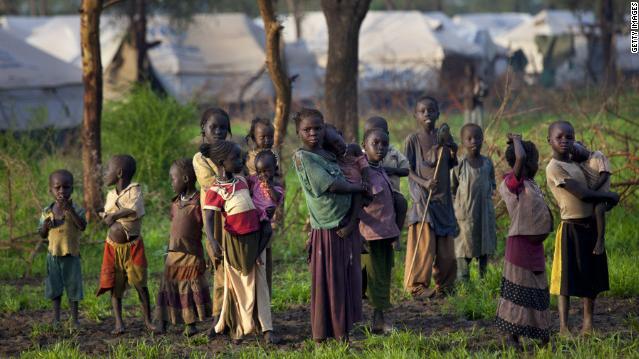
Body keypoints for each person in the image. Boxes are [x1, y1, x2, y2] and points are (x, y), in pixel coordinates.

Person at [292, 108, 366, 342]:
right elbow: (332, 185)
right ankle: (328, 332)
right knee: (330, 282)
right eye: (307, 130)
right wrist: (359, 188)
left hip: (346, 223)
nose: (313, 133)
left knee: (347, 278)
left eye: (318, 128)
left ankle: (344, 328)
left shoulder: (329, 153)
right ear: (298, 132)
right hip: (328, 228)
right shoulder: (303, 157)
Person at [546, 121, 619, 335]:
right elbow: (583, 194)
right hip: (571, 227)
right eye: (559, 137)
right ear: (549, 140)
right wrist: (610, 196)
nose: (565, 141)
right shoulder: (554, 167)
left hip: (591, 225)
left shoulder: (576, 162)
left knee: (591, 280)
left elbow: (595, 171)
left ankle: (588, 325)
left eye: (569, 137)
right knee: (566, 283)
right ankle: (563, 328)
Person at [201, 140, 274, 344]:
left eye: (242, 157)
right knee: (237, 286)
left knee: (260, 284)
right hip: (235, 242)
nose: (242, 161)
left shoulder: (242, 180)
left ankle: (267, 328)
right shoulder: (215, 190)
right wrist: (213, 241)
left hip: (256, 239)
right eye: (236, 158)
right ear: (223, 162)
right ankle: (238, 327)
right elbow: (208, 218)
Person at [496, 134, 552, 347]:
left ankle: (541, 333)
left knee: (538, 288)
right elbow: (519, 158)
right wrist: (516, 141)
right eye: (534, 160)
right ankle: (512, 336)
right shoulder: (512, 182)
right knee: (518, 290)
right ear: (526, 162)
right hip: (519, 246)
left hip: (534, 247)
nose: (537, 165)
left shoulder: (531, 183)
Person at [403, 96, 459, 299]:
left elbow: (452, 162)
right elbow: (406, 168)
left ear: (438, 114)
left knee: (446, 249)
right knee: (424, 247)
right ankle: (417, 285)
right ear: (416, 115)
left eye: (431, 110)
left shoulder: (442, 138)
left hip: (442, 201)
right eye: (422, 110)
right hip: (423, 200)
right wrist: (424, 183)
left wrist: (452, 146)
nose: (427, 113)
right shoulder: (412, 140)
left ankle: (445, 285)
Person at [97, 155, 154, 334]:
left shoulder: (134, 190)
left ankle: (148, 321)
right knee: (116, 285)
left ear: (119, 173)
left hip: (133, 247)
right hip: (113, 247)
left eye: (108, 170)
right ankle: (119, 323)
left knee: (140, 284)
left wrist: (114, 216)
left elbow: (135, 209)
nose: (105, 173)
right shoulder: (110, 194)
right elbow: (108, 215)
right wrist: (107, 216)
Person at [155, 159, 212, 336]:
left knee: (189, 287)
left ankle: (190, 324)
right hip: (173, 253)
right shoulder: (175, 203)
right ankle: (163, 322)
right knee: (167, 286)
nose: (171, 183)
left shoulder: (199, 202)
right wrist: (168, 249)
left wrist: (209, 252)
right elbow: (173, 229)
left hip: (191, 253)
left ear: (186, 178)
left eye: (173, 179)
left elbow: (207, 228)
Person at [192, 107, 231, 332]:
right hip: (214, 217)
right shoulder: (201, 158)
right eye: (213, 127)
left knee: (234, 264)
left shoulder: (232, 152)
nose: (218, 131)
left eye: (223, 127)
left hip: (234, 216)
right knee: (219, 264)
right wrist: (226, 165)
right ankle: (218, 316)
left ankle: (232, 313)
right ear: (203, 129)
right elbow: (212, 184)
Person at [359, 128, 400, 334]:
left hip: (385, 235)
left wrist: (395, 234)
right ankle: (375, 320)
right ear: (363, 145)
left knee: (382, 277)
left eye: (385, 144)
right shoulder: (361, 172)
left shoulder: (380, 170)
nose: (381, 148)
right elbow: (356, 204)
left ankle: (379, 320)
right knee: (371, 279)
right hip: (368, 237)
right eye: (375, 143)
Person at [38, 169, 86, 329]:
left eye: (66, 187)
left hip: (71, 255)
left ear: (72, 189)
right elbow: (42, 234)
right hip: (53, 256)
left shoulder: (77, 209)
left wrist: (69, 210)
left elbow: (82, 226)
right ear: (50, 189)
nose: (61, 191)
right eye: (57, 187)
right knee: (55, 288)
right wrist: (45, 225)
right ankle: (56, 319)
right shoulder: (47, 211)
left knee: (73, 288)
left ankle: (75, 320)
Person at [451, 124, 496, 280]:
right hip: (464, 215)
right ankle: (463, 279)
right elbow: (452, 187)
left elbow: (492, 184)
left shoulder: (488, 163)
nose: (473, 141)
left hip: (484, 213)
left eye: (477, 138)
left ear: (483, 139)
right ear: (462, 142)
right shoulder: (459, 164)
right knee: (464, 245)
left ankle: (483, 279)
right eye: (469, 138)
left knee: (484, 243)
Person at [244, 117, 282, 293]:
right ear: (253, 137)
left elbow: (279, 182)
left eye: (270, 136)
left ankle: (265, 295)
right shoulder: (247, 159)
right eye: (262, 137)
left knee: (266, 252)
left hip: (268, 208)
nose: (267, 140)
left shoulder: (274, 156)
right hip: (252, 209)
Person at [364, 116, 409, 251]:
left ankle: (396, 235)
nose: (379, 146)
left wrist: (393, 170)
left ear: (387, 135)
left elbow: (407, 170)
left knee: (401, 202)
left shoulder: (393, 152)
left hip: (392, 191)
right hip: (372, 194)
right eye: (372, 136)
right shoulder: (362, 155)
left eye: (383, 139)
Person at [571, 142, 612, 256]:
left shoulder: (597, 155)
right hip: (592, 195)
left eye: (575, 148)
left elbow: (604, 175)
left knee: (599, 209)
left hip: (603, 193)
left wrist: (592, 191)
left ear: (583, 145)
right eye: (572, 152)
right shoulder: (579, 164)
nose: (574, 152)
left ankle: (600, 240)